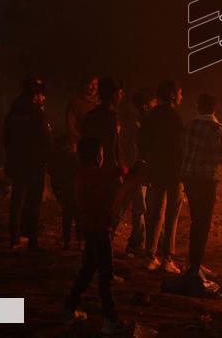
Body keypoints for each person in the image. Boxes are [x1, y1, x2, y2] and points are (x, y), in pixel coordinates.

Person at [63, 136, 141, 335]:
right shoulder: (97, 177)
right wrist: (130, 180)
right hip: (100, 230)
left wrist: (125, 172)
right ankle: (110, 319)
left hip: (90, 229)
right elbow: (114, 198)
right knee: (105, 275)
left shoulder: (83, 176)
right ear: (99, 155)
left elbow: (114, 173)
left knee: (88, 269)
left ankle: (70, 307)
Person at [179, 93, 222, 294]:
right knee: (203, 223)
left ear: (197, 106)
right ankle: (195, 268)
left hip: (189, 178)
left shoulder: (189, 126)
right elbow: (219, 155)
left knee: (196, 220)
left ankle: (195, 264)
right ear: (215, 108)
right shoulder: (214, 129)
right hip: (205, 180)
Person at [139, 79, 185, 273]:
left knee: (155, 213)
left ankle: (150, 256)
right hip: (174, 172)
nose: (182, 97)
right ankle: (167, 258)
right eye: (180, 93)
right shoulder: (175, 117)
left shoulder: (151, 116)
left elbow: (142, 144)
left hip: (156, 171)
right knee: (171, 216)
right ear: (173, 96)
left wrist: (148, 166)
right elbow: (181, 147)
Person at [4, 81, 52, 250]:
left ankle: (15, 238)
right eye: (42, 95)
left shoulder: (14, 111)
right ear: (35, 96)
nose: (44, 98)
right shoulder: (38, 113)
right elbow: (45, 138)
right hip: (35, 163)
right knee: (34, 202)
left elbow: (6, 136)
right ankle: (33, 239)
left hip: (18, 162)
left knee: (17, 201)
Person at [122, 88, 156, 256]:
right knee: (139, 208)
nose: (155, 105)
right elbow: (129, 149)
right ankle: (139, 243)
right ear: (145, 105)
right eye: (153, 102)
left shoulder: (145, 123)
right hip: (138, 171)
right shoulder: (134, 125)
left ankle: (143, 242)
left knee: (145, 208)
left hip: (145, 171)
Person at [82, 78, 124, 171]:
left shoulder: (92, 115)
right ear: (113, 95)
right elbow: (110, 149)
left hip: (92, 169)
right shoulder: (109, 117)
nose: (122, 96)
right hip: (105, 171)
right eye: (120, 93)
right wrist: (118, 170)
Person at [50, 133, 82, 250]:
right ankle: (79, 241)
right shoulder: (74, 158)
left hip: (62, 191)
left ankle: (67, 241)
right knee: (78, 216)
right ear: (70, 145)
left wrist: (56, 190)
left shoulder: (55, 159)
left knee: (67, 215)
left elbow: (53, 174)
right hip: (73, 191)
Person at [65, 76, 99, 151]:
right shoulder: (76, 103)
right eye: (91, 84)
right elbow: (70, 125)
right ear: (84, 85)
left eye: (96, 84)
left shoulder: (99, 103)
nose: (94, 87)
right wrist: (76, 141)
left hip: (97, 145)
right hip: (82, 145)